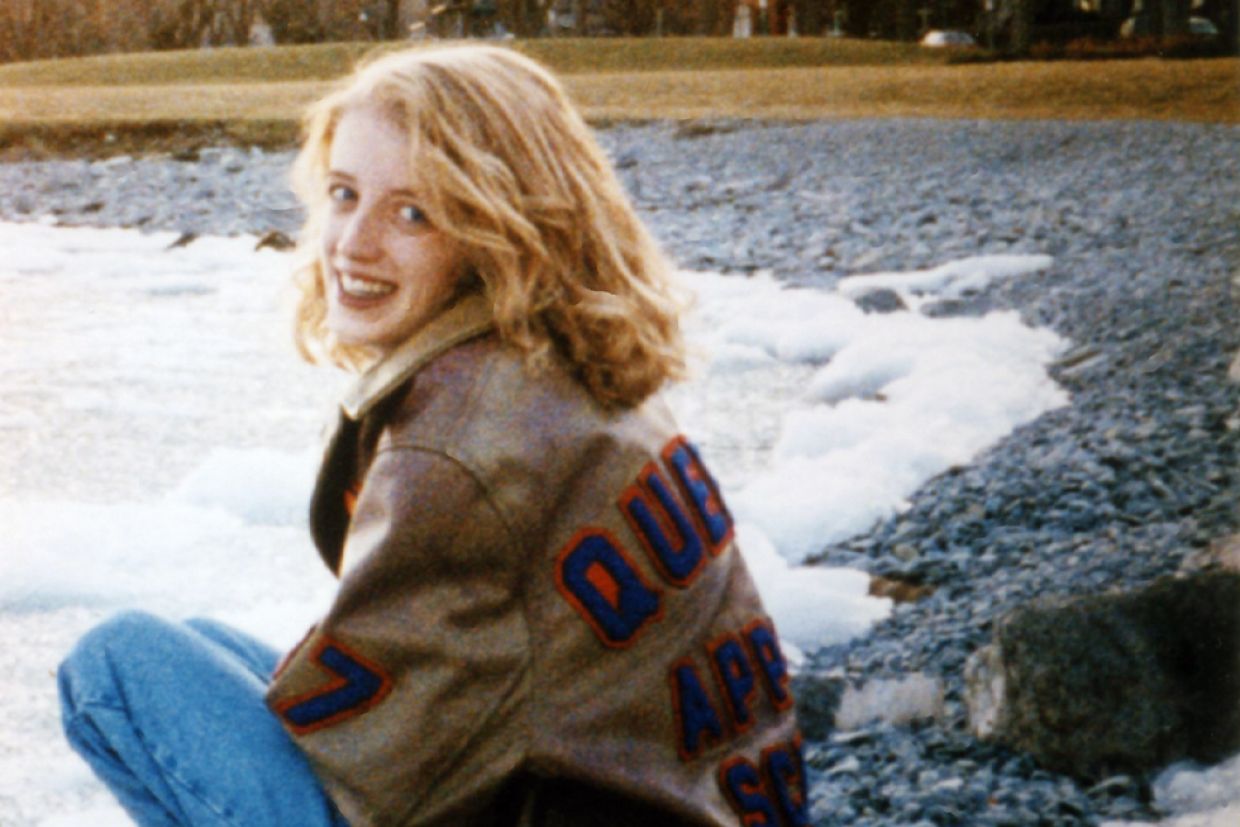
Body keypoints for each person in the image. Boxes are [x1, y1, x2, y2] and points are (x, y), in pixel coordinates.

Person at [58, 45, 806, 827]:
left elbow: (386, 793)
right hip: (691, 797)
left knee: (116, 664)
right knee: (203, 647)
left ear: (499, 226)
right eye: (344, 194)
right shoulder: (565, 359)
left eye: (413, 212)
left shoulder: (456, 446)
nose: (353, 242)